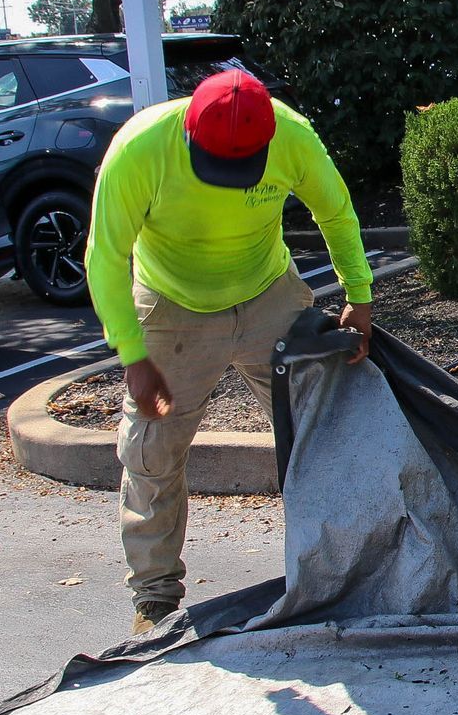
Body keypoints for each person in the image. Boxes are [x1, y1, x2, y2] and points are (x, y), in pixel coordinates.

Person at [85, 68, 374, 635]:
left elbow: (335, 212)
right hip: (173, 307)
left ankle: (346, 572)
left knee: (327, 427)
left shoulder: (293, 136)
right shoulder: (140, 149)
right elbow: (104, 256)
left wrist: (359, 296)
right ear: (189, 129)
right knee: (152, 451)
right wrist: (133, 353)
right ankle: (155, 601)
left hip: (267, 295)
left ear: (267, 140)